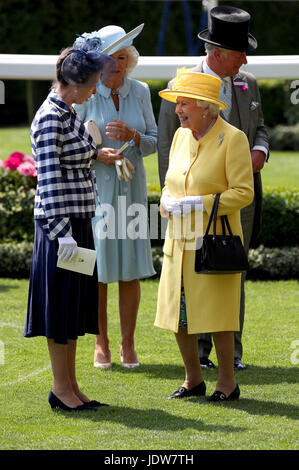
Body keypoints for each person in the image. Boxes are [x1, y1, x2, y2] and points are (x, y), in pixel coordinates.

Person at [157, 5, 269, 371]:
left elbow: (261, 127)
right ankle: (200, 361)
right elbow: (166, 146)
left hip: (237, 203)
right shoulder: (181, 88)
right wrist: (172, 199)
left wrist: (260, 149)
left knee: (229, 272)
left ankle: (230, 358)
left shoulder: (247, 82)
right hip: (188, 204)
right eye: (239, 53)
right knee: (191, 278)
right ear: (218, 53)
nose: (245, 59)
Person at [23, 43, 120, 411]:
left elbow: (77, 156)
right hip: (59, 230)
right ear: (74, 83)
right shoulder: (50, 115)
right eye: (92, 83)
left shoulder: (68, 111)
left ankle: (71, 386)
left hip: (78, 223)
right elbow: (47, 178)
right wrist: (61, 231)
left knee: (75, 306)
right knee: (60, 308)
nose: (95, 89)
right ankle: (60, 388)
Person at [155, 69, 254, 401]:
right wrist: (166, 200)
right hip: (178, 241)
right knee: (178, 314)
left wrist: (202, 202)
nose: (178, 110)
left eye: (184, 104)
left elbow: (243, 193)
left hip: (213, 242)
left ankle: (227, 383)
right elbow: (173, 181)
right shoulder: (182, 136)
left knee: (218, 315)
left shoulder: (234, 138)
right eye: (177, 103)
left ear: (207, 107)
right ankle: (192, 380)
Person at [74, 24, 157, 369]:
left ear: (130, 60)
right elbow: (74, 144)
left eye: (124, 57)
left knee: (130, 270)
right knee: (98, 269)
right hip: (98, 194)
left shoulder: (140, 91)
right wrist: (98, 154)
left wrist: (135, 136)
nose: (118, 64)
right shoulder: (87, 95)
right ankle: (101, 343)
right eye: (112, 58)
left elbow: (155, 141)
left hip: (133, 193)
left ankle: (127, 345)